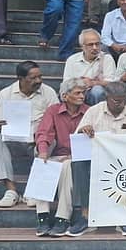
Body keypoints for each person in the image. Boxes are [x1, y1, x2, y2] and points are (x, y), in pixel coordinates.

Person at [75, 81, 126, 236]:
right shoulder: (94, 111)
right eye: (116, 101)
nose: (121, 104)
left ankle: (125, 218)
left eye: (124, 100)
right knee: (78, 164)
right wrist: (84, 130)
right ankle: (85, 215)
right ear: (106, 98)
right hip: (98, 160)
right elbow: (78, 139)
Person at [0, 61, 59, 208]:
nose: (38, 81)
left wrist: (42, 136)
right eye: (33, 78)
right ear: (20, 78)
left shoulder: (49, 92)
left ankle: (33, 191)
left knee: (51, 140)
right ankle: (11, 190)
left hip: (38, 142)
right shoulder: (6, 93)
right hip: (14, 141)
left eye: (40, 77)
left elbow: (56, 121)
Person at [33, 78, 89, 236]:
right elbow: (44, 132)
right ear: (65, 96)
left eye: (83, 93)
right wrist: (43, 152)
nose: (82, 96)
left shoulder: (89, 111)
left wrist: (72, 155)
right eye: (77, 93)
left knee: (67, 165)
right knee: (42, 163)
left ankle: (62, 217)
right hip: (58, 154)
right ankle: (42, 216)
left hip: (80, 159)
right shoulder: (53, 110)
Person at [63, 29, 116, 105]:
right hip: (77, 91)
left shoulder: (107, 58)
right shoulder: (72, 60)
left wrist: (93, 83)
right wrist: (81, 83)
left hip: (98, 95)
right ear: (82, 46)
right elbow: (66, 83)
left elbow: (112, 82)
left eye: (97, 44)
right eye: (90, 45)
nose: (95, 47)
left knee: (97, 91)